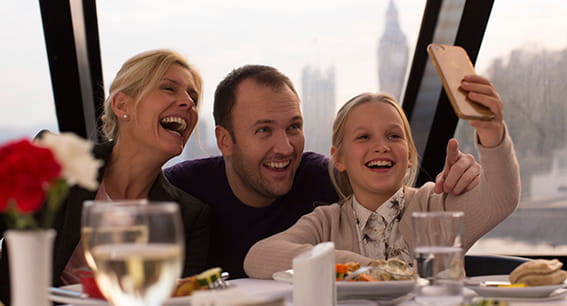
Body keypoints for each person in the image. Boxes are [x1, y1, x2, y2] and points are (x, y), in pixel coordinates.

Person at [165, 65, 482, 279]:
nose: (286, 147)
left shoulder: (328, 180)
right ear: (224, 141)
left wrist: (470, 174)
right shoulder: (180, 190)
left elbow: (394, 197)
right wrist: (376, 268)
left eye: (294, 127)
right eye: (264, 130)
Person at [243, 75, 520, 279]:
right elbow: (258, 257)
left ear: (409, 155)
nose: (381, 146)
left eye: (394, 136)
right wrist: (354, 266)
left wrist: (492, 132)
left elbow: (501, 197)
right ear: (338, 158)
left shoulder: (435, 206)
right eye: (363, 137)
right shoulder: (326, 223)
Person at [0, 49, 210, 305]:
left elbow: (181, 299)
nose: (187, 102)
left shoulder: (190, 215)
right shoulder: (56, 162)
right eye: (169, 88)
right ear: (122, 105)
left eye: (193, 97)